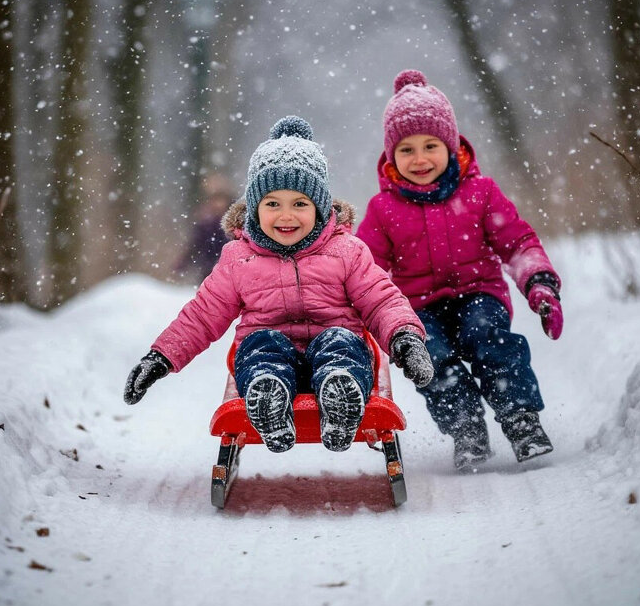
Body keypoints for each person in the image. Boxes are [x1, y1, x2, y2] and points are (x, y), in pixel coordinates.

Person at [124, 115, 434, 453]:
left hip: (336, 354)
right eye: (273, 204)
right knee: (260, 344)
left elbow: (381, 300)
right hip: (269, 358)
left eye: (300, 204)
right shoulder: (237, 259)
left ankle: (340, 397)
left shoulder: (346, 250)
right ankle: (268, 396)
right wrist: (160, 358)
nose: (286, 216)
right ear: (255, 208)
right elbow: (202, 316)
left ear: (319, 208)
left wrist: (404, 337)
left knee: (341, 341)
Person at [356, 69, 563, 471]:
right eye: (406, 149)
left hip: (479, 294)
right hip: (416, 307)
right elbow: (366, 270)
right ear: (391, 156)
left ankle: (521, 419)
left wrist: (539, 284)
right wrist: (359, 316)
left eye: (430, 145)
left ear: (451, 146)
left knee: (487, 336)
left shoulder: (481, 193)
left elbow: (517, 243)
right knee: (427, 357)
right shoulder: (383, 210)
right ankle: (466, 428)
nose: (419, 159)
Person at [173, 173, 235, 283]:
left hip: (229, 270)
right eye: (215, 200)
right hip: (207, 269)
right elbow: (195, 244)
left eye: (221, 200)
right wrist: (182, 264)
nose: (218, 204)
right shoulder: (206, 221)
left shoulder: (234, 220)